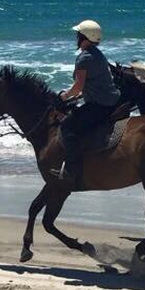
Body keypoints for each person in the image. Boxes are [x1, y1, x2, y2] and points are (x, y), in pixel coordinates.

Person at [57, 20, 120, 186]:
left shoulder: (84, 58)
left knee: (67, 126)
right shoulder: (97, 53)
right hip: (112, 100)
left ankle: (72, 169)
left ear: (84, 37)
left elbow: (77, 88)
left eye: (78, 35)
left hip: (99, 105)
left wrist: (63, 96)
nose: (76, 38)